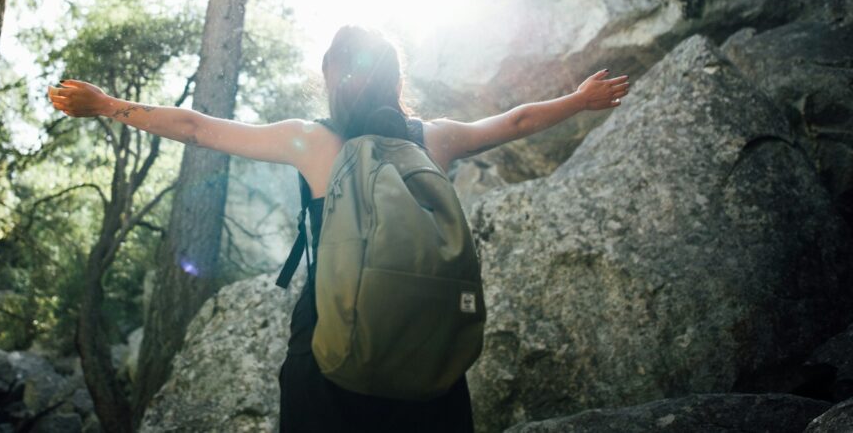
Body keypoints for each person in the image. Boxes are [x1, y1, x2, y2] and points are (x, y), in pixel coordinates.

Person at [47, 24, 629, 432]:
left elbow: (198, 128)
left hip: (329, 337)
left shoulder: (311, 139)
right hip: (428, 342)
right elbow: (519, 118)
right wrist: (580, 100)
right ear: (395, 81)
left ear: (332, 76)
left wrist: (107, 105)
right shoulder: (435, 138)